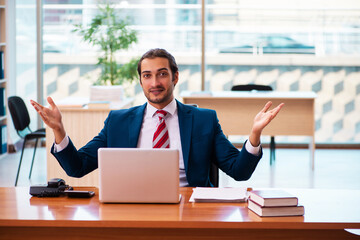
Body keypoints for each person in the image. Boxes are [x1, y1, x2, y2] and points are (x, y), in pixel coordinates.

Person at [31, 48, 284, 187]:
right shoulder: (118, 121)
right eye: (147, 75)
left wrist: (254, 135)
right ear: (140, 80)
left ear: (175, 77)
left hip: (190, 206)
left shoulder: (204, 120)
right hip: (131, 206)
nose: (155, 82)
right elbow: (78, 168)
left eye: (162, 74)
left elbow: (239, 172)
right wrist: (59, 131)